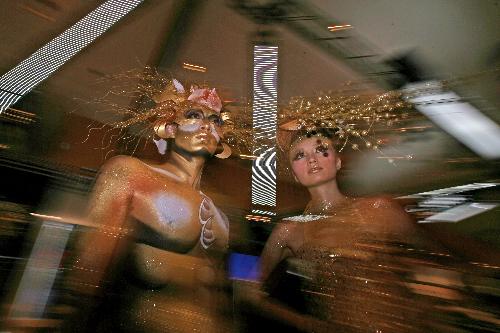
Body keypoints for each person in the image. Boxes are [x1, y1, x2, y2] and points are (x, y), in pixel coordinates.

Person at [62, 78, 232, 333]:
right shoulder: (131, 174)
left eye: (215, 120)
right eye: (194, 115)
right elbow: (87, 272)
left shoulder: (220, 213)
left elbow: (215, 300)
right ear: (172, 128)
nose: (207, 126)